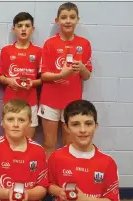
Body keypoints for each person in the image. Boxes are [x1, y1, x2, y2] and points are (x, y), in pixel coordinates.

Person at [38, 2, 93, 157]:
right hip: (50, 102)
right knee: (49, 143)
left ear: (77, 20)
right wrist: (61, 75)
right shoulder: (50, 43)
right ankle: (49, 179)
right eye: (64, 17)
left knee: (69, 145)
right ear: (57, 20)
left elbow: (87, 76)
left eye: (72, 17)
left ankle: (64, 177)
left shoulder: (84, 44)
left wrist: (81, 68)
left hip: (72, 103)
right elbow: (43, 75)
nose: (68, 21)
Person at [48, 99, 120, 201]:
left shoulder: (108, 163)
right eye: (75, 124)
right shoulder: (56, 157)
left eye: (88, 124)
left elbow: (112, 199)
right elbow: (49, 185)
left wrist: (85, 199)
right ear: (66, 127)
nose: (83, 130)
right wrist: (60, 192)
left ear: (96, 126)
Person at [0, 99, 48, 201]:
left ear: (29, 123)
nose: (15, 124)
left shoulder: (39, 151)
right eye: (10, 119)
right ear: (2, 122)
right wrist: (9, 193)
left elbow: (42, 188)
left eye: (21, 120)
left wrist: (26, 194)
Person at [0, 12, 42, 139]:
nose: (23, 29)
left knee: (28, 141)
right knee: (9, 141)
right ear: (14, 29)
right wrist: (9, 81)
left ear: (32, 29)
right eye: (20, 25)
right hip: (10, 102)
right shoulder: (6, 51)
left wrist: (32, 83)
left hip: (31, 102)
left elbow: (42, 79)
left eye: (27, 26)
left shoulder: (39, 51)